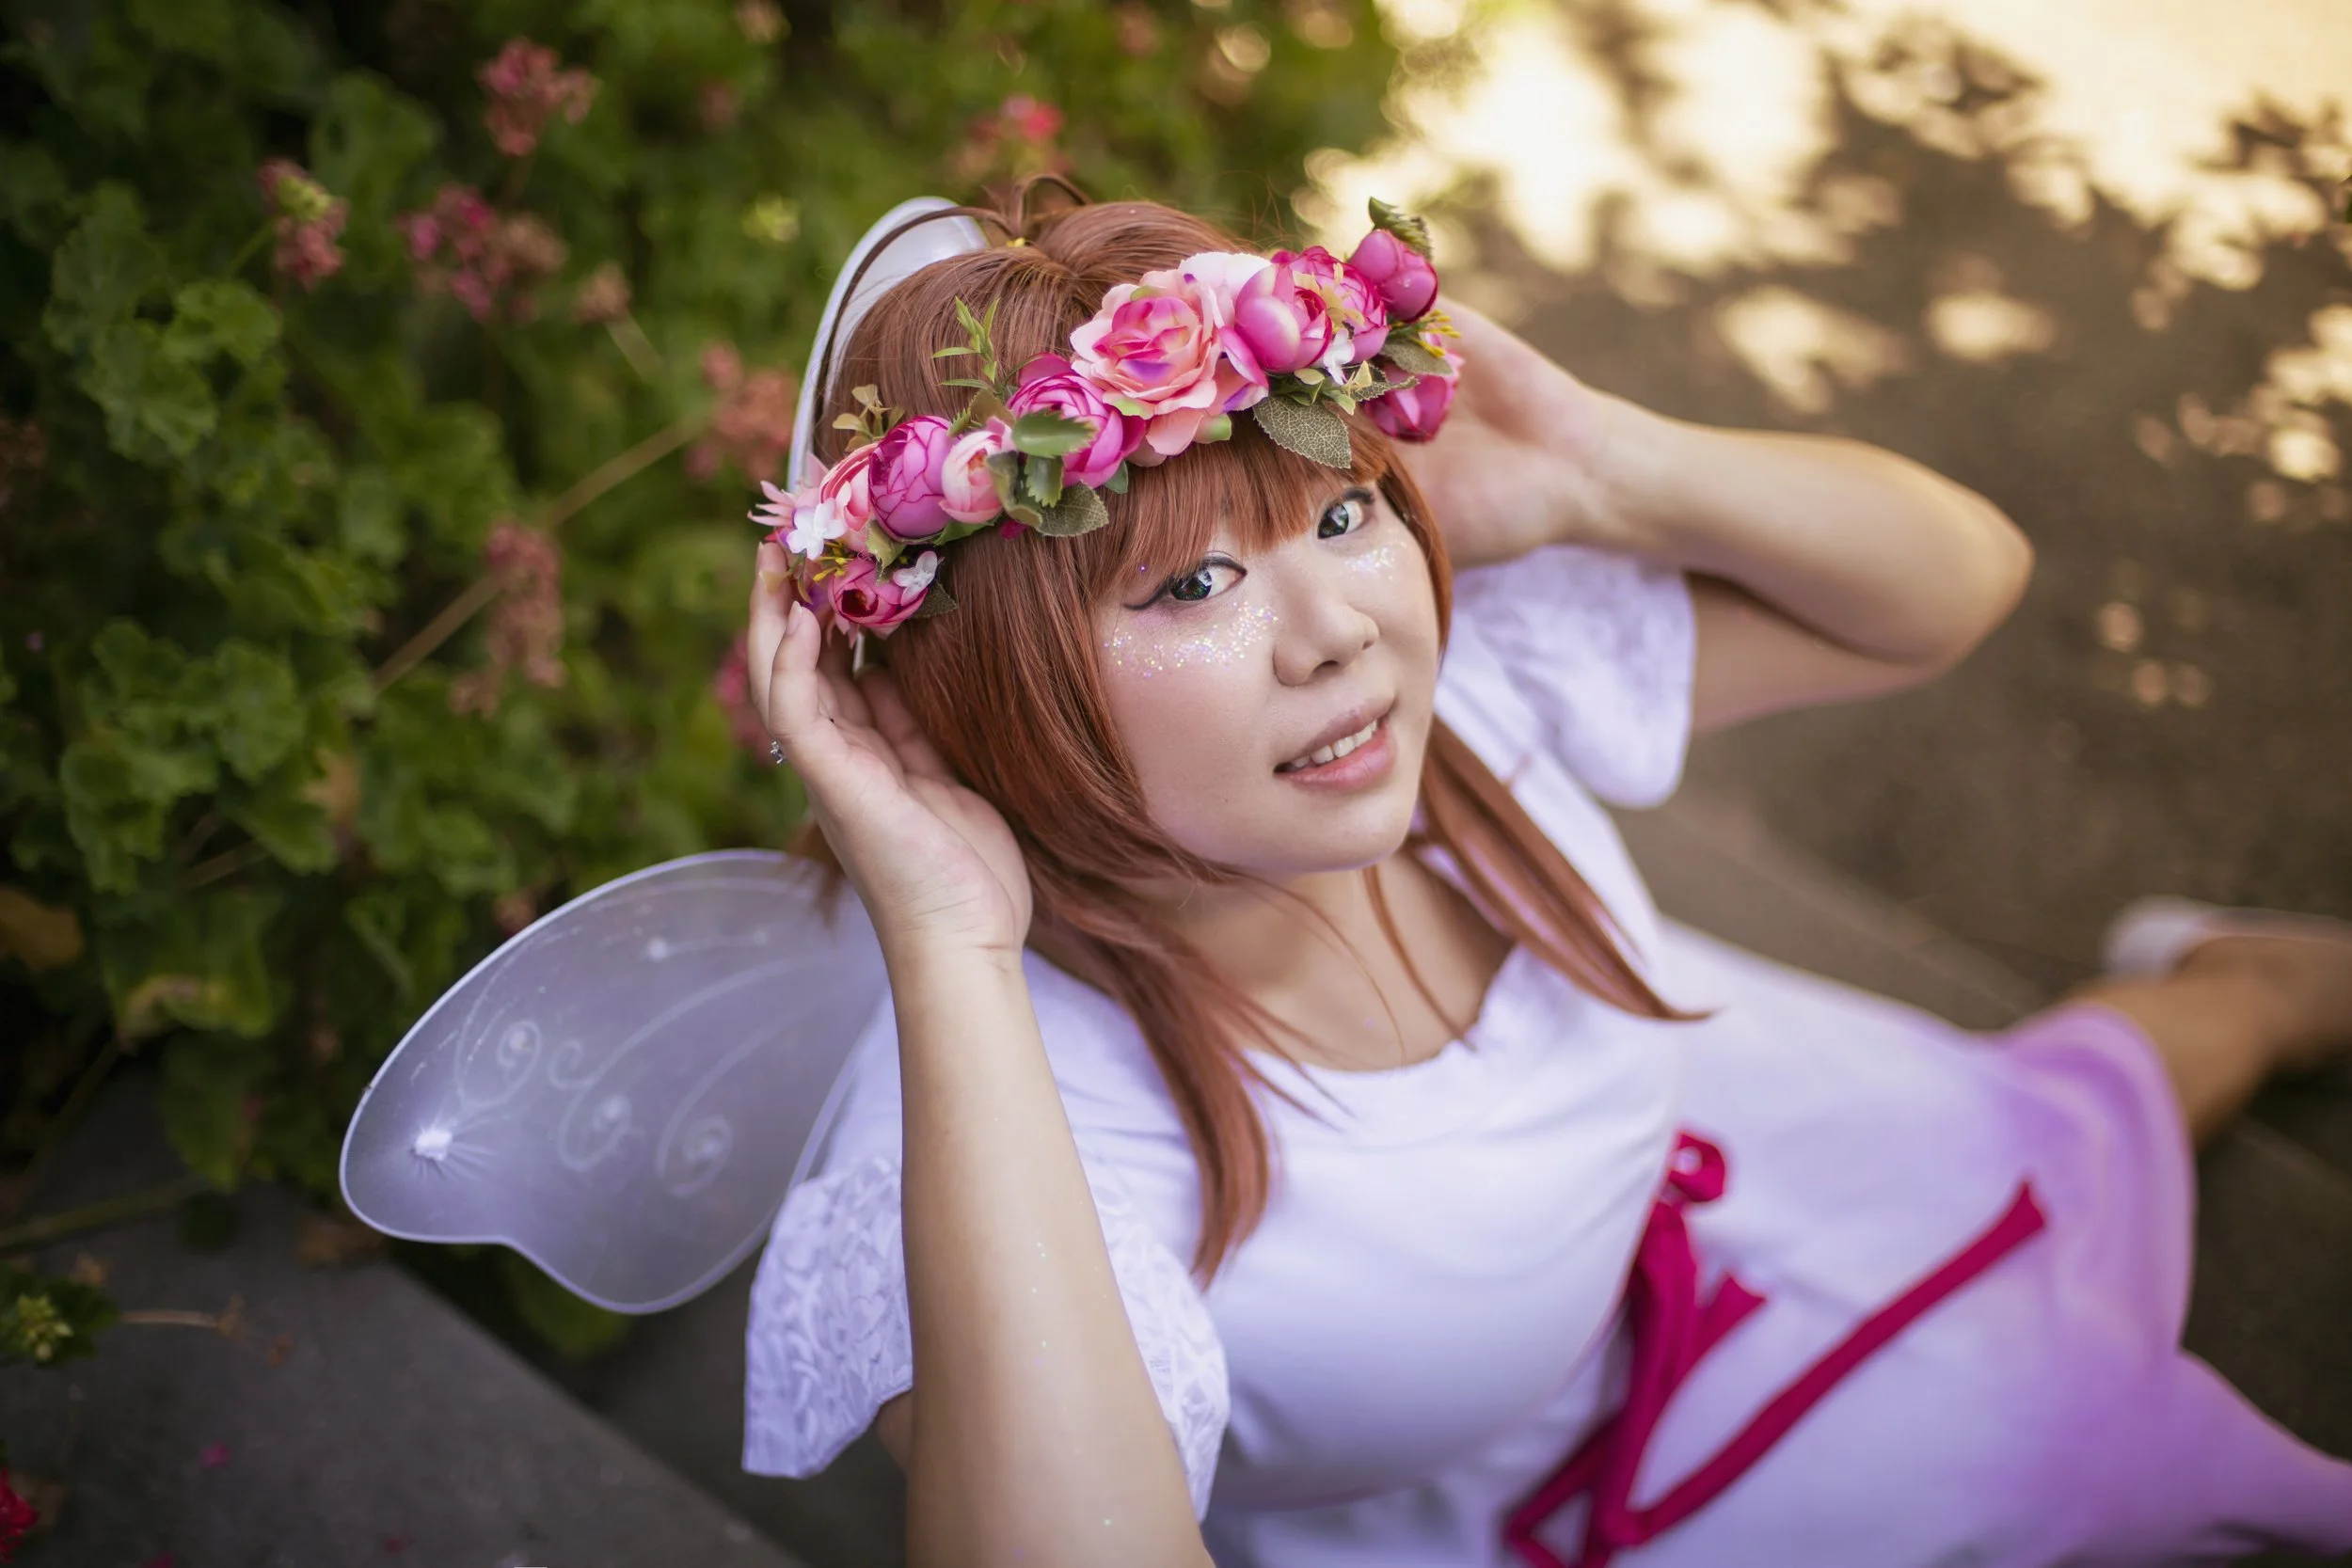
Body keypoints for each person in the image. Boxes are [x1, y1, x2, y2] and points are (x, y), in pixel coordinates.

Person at [736, 193, 2352, 1568]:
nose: (1340, 628)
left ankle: (2254, 981)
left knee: (2066, 1116)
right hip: (1544, 1499)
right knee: (2100, 1443)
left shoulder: (1459, 701)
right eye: (1198, 580)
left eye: (1345, 507)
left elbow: (1953, 585)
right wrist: (948, 938)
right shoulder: (992, 1147)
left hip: (1738, 1159)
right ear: (985, 691)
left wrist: (1604, 469)